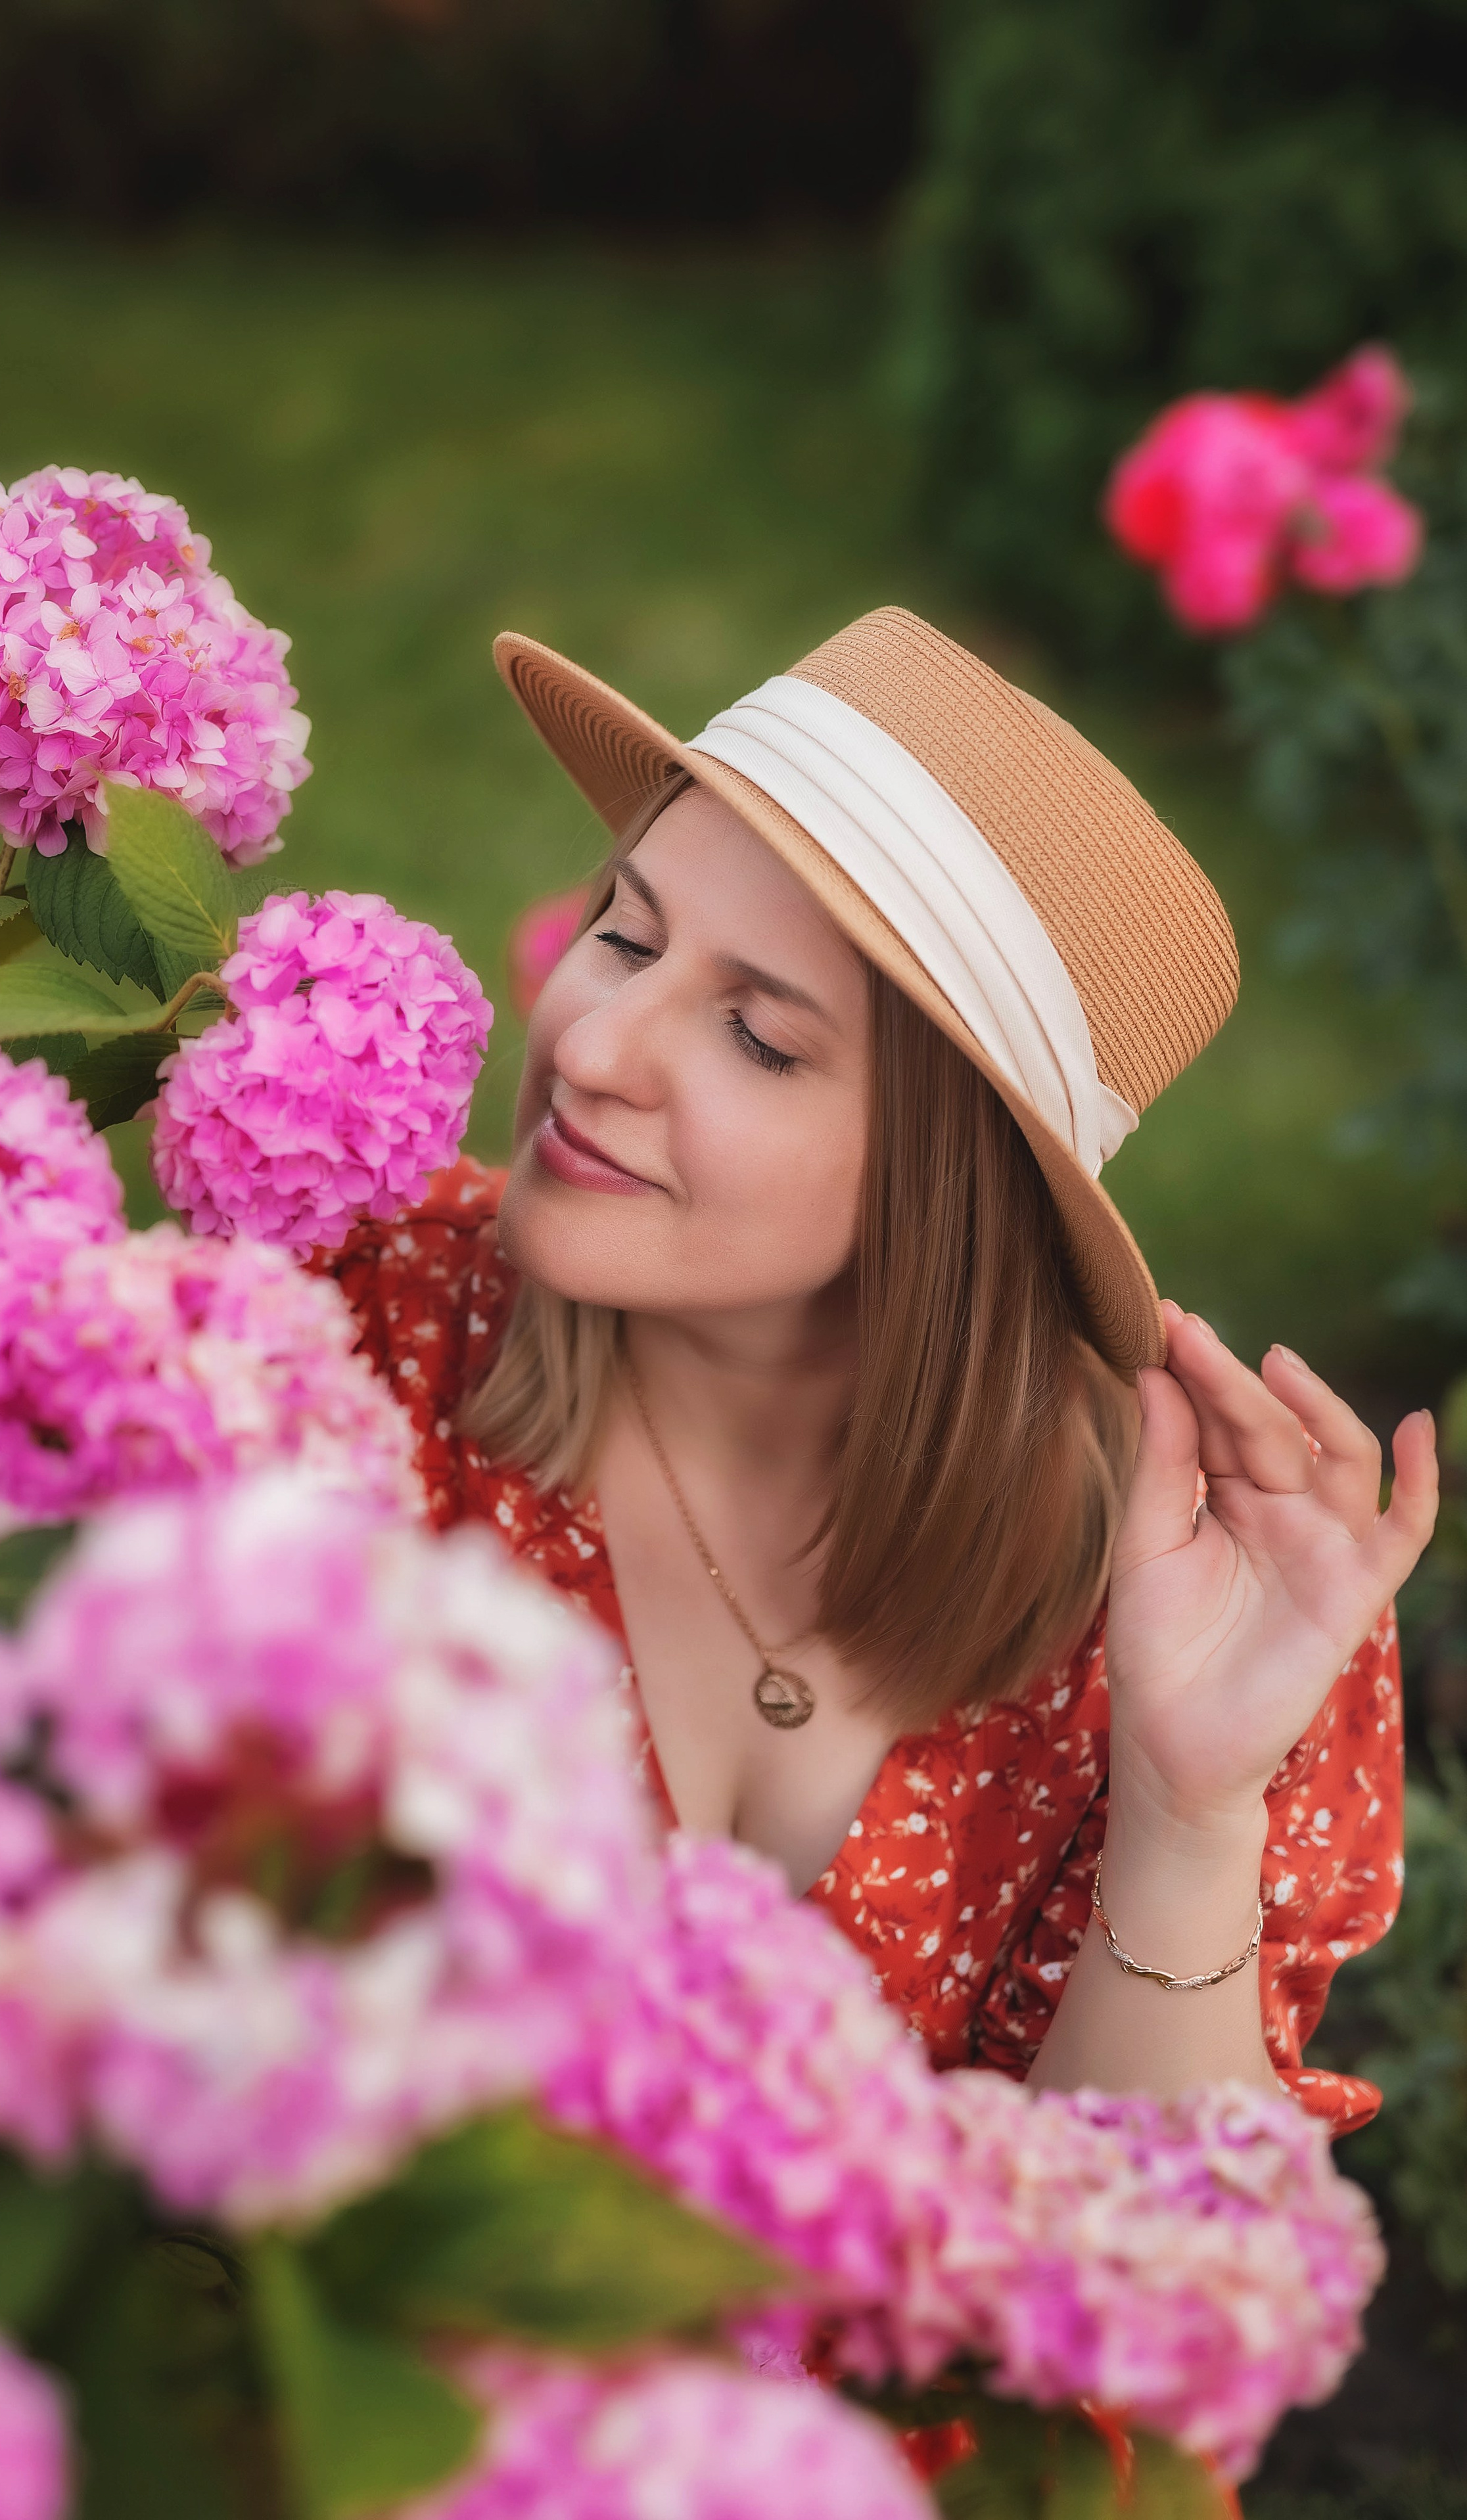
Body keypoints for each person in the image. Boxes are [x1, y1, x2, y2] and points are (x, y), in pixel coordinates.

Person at [328, 607, 1437, 2127]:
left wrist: (1186, 1812)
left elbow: (1133, 2290)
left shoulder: (1189, 1603)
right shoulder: (351, 1325)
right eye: (625, 935)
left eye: (759, 1040)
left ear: (949, 1185)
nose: (589, 1049)